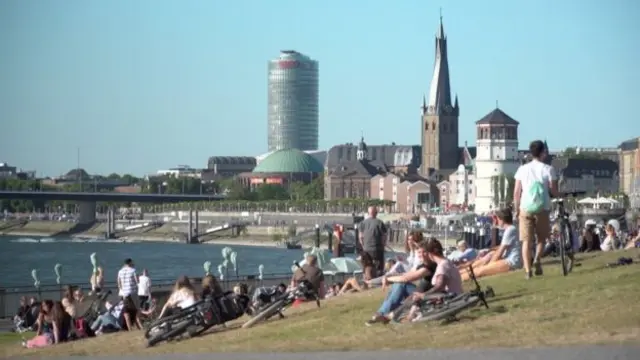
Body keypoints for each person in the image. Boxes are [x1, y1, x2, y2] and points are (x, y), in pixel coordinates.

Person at [365, 240, 441, 326]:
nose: (421, 254)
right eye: (419, 252)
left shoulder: (430, 267)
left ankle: (382, 314)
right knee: (399, 283)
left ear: (429, 253)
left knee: (401, 284)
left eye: (424, 252)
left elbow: (407, 278)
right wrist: (388, 277)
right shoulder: (422, 265)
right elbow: (406, 274)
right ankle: (383, 313)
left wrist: (389, 279)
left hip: (428, 295)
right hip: (420, 292)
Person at [513, 140, 560, 279]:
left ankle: (528, 271)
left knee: (526, 241)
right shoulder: (548, 169)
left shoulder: (522, 169)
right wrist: (560, 195)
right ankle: (538, 259)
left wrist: (516, 209)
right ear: (542, 152)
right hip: (542, 208)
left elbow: (516, 193)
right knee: (541, 239)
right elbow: (553, 190)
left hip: (525, 208)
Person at [459, 208, 522, 281]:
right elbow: (502, 247)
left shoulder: (510, 230)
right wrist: (490, 252)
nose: (496, 221)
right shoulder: (511, 228)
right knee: (485, 259)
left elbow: (500, 252)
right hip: (510, 259)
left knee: (480, 270)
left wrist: (489, 265)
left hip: (512, 262)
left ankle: (456, 279)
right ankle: (459, 273)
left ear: (501, 219)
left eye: (497, 219)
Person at [358, 206, 388, 276]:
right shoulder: (380, 223)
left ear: (368, 213)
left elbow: (360, 237)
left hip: (366, 249)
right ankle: (379, 279)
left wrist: (363, 246)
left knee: (367, 266)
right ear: (376, 213)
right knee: (379, 267)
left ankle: (367, 280)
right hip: (378, 249)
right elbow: (384, 236)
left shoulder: (362, 223)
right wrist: (383, 245)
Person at [117, 258, 140, 330]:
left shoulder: (120, 271)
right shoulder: (133, 270)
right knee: (136, 310)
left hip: (124, 294)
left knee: (126, 312)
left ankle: (130, 328)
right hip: (132, 293)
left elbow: (119, 282)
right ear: (130, 263)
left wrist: (122, 289)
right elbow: (137, 281)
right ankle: (139, 326)